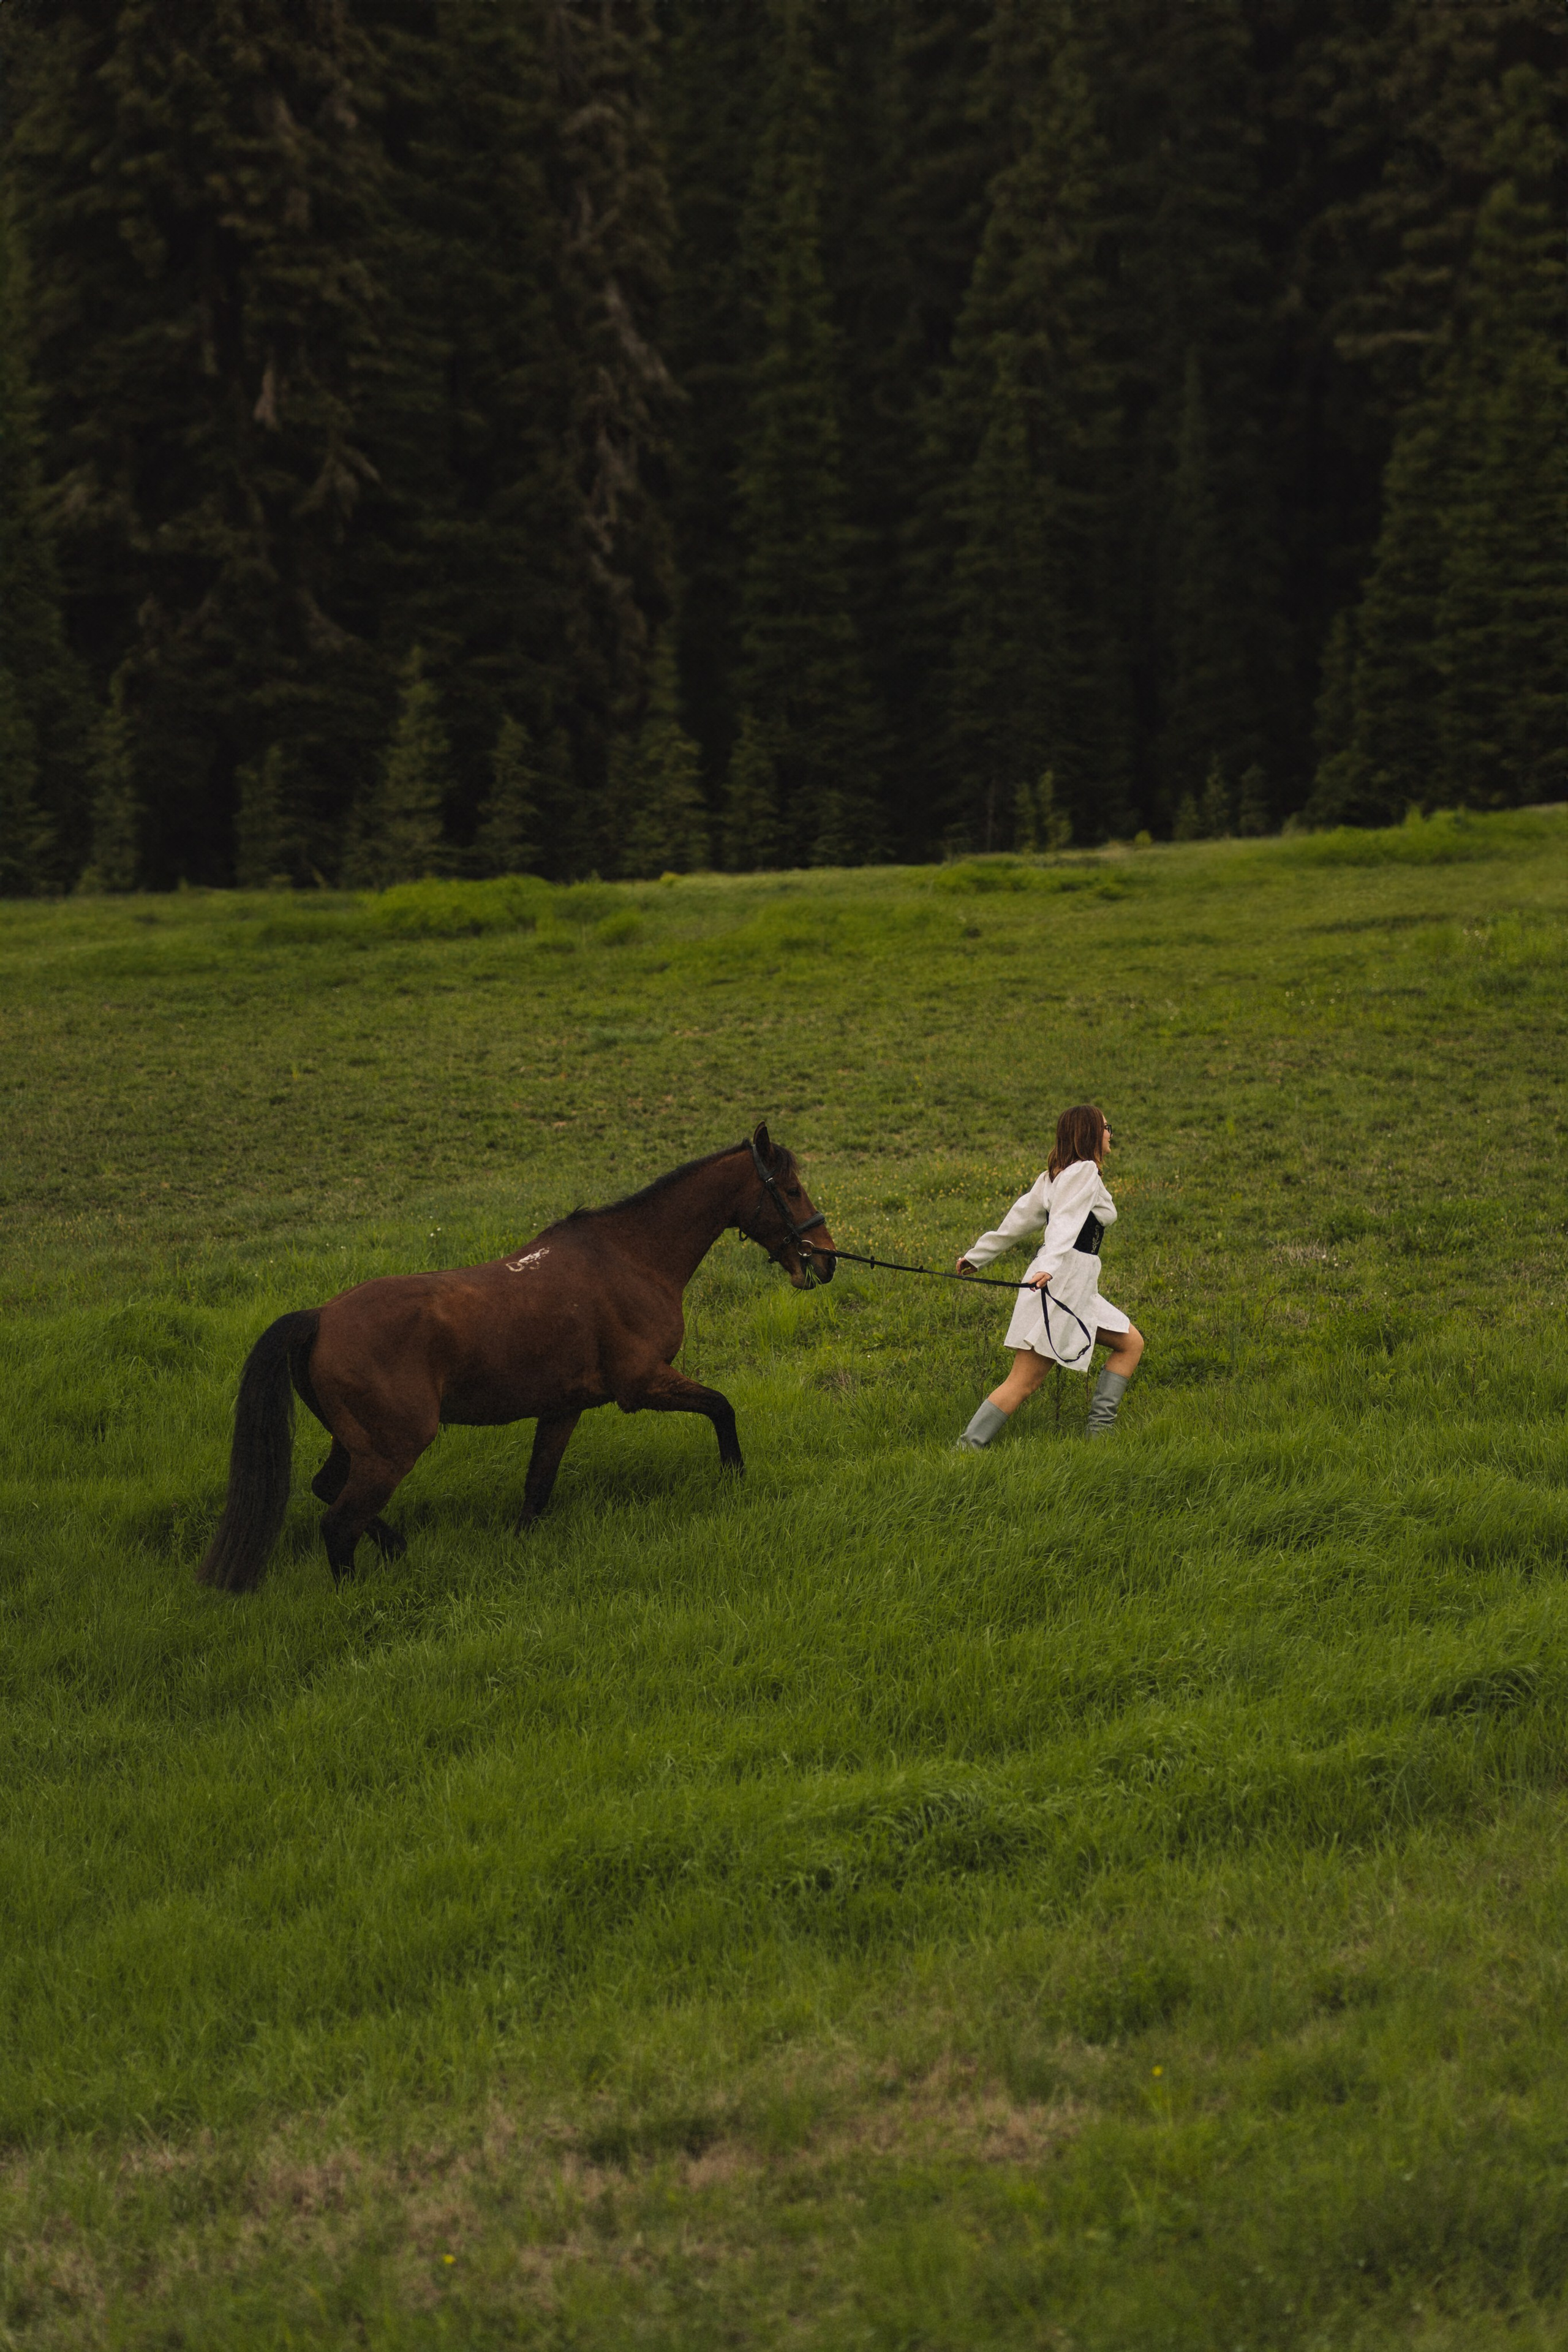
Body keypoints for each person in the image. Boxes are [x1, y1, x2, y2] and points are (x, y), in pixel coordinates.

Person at [954, 1103, 1143, 1448]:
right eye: (1106, 1127)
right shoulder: (1082, 1171)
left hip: (1076, 1286)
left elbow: (1018, 1220)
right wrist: (1048, 1268)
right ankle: (967, 1448)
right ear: (1089, 1133)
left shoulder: (1059, 1175)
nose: (1110, 1134)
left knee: (1131, 1343)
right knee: (1023, 1381)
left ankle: (1099, 1439)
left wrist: (976, 1256)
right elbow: (1063, 1224)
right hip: (1060, 1283)